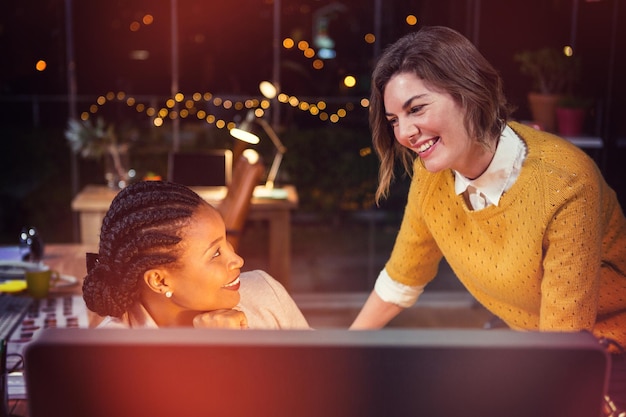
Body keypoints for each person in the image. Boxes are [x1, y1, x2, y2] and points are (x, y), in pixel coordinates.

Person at [350, 25, 626, 409]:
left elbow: (564, 345)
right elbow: (401, 279)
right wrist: (341, 352)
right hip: (538, 349)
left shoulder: (565, 181)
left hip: (608, 354)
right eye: (394, 119)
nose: (405, 133)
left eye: (417, 109)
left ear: (468, 94)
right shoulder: (431, 179)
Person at [82, 180, 310, 330]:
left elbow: (322, 382)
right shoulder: (115, 357)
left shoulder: (266, 294)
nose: (238, 260)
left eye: (226, 242)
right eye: (215, 253)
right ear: (160, 281)